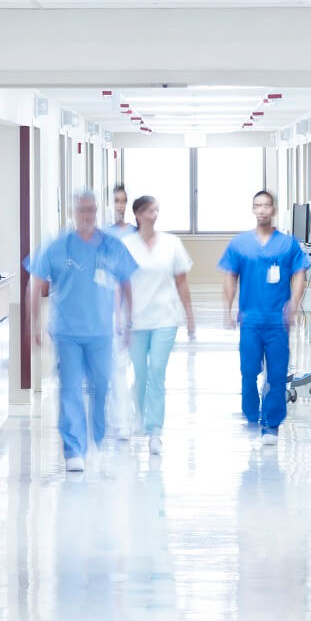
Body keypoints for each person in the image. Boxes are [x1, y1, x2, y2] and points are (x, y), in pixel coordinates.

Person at [27, 188, 137, 473]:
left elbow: (126, 284)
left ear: (97, 212)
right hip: (67, 331)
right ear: (73, 213)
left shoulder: (111, 246)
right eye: (81, 210)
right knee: (70, 390)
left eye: (91, 210)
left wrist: (127, 323)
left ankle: (97, 436)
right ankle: (73, 448)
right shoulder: (58, 245)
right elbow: (36, 282)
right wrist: (34, 322)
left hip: (101, 331)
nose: (87, 215)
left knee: (102, 387)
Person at [218, 190, 310, 446]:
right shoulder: (240, 244)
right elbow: (230, 276)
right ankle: (251, 412)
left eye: (266, 205)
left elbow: (300, 272)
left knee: (277, 374)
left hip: (277, 322)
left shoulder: (287, 244)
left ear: (274, 209)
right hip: (250, 320)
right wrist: (227, 308)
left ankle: (271, 423)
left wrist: (294, 302)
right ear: (252, 209)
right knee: (248, 371)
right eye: (257, 205)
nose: (262, 210)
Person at [122, 194, 196, 455]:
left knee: (156, 372)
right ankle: (139, 418)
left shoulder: (171, 243)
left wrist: (189, 315)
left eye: (156, 209)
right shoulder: (126, 246)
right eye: (149, 210)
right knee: (140, 373)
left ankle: (155, 431)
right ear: (138, 214)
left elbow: (182, 281)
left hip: (166, 318)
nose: (154, 214)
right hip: (136, 320)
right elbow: (119, 286)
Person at [102, 183, 137, 440]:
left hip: (136, 308)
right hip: (112, 311)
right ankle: (120, 421)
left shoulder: (136, 235)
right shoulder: (102, 237)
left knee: (137, 368)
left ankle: (129, 417)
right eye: (116, 201)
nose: (121, 206)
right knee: (117, 368)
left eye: (123, 201)